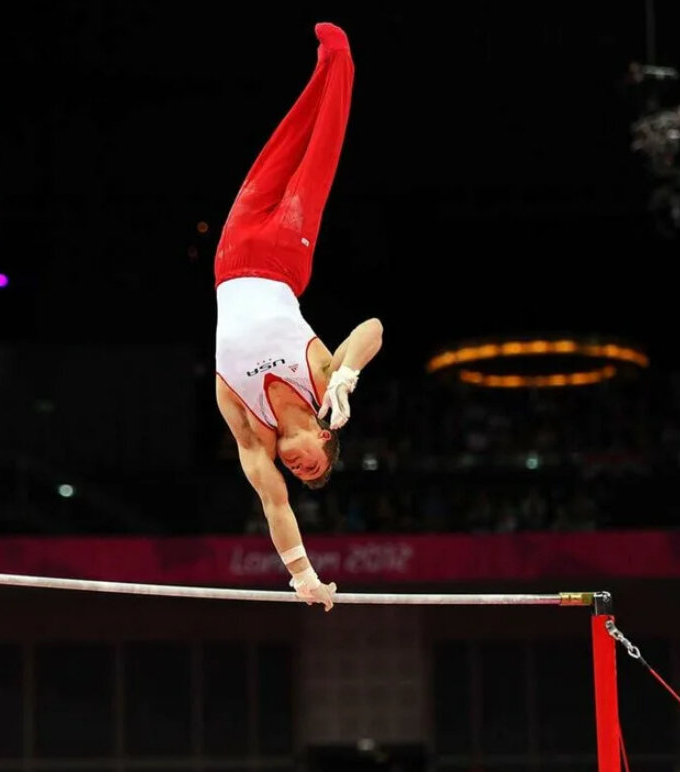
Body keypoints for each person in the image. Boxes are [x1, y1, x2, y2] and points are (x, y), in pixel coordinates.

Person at [213, 22, 383, 611]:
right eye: (313, 462)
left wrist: (302, 576)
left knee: (278, 145)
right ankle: (340, 62)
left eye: (300, 472)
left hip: (230, 257)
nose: (299, 465)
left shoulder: (252, 434)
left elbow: (274, 505)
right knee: (317, 154)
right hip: (286, 256)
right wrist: (345, 376)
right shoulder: (322, 384)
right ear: (324, 435)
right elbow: (374, 329)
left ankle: (319, 68)